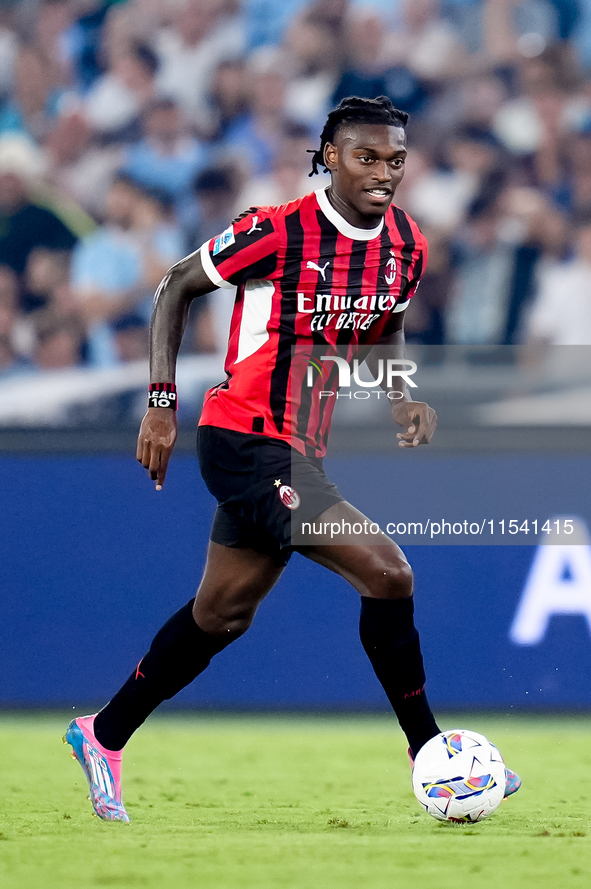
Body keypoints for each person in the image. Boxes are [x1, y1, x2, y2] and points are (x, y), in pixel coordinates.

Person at [64, 96, 521, 821]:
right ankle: (430, 750)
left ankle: (102, 732)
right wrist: (159, 400)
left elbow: (388, 322)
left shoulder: (405, 243)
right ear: (330, 156)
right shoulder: (275, 231)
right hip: (244, 438)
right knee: (388, 571)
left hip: (298, 447)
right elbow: (175, 284)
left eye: (394, 160)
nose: (383, 172)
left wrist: (401, 395)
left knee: (222, 612)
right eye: (366, 156)